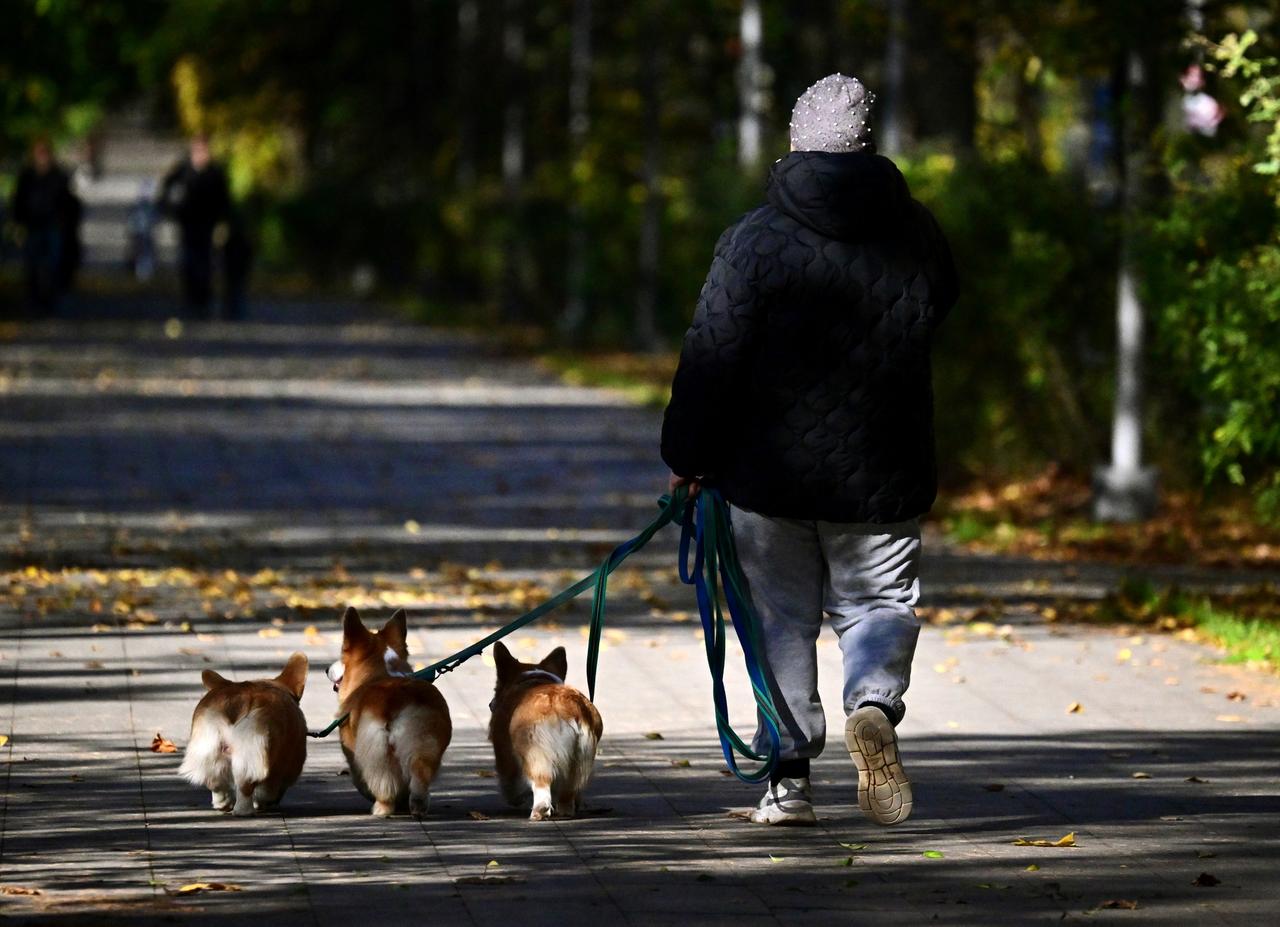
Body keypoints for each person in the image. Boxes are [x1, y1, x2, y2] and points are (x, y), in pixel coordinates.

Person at [661, 74, 958, 827]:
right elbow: (939, 310)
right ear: (867, 143)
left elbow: (712, 354)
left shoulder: (754, 238)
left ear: (796, 142)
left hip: (768, 475)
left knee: (778, 618)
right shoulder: (918, 231)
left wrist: (687, 453)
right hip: (884, 472)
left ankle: (788, 779)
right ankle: (874, 706)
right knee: (879, 603)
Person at [159, 135, 232, 316]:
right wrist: (169, 209)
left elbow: (224, 200)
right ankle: (191, 298)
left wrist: (223, 222)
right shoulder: (184, 169)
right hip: (188, 223)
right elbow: (166, 188)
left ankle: (203, 299)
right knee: (188, 261)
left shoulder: (215, 173)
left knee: (205, 262)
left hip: (207, 224)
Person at [9, 138, 81, 312]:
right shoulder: (27, 176)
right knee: (32, 264)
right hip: (33, 225)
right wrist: (18, 223)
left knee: (52, 263)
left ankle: (51, 298)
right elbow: (18, 201)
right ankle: (34, 298)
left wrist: (65, 222)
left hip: (52, 226)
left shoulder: (58, 176)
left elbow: (68, 202)